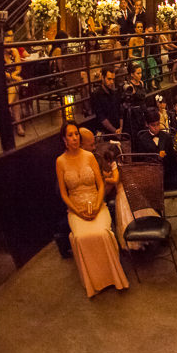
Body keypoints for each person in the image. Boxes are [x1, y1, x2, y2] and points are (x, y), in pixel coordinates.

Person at [55, 121, 129, 297]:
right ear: (64, 139)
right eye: (70, 135)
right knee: (81, 237)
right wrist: (77, 211)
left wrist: (97, 205)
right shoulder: (60, 162)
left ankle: (114, 277)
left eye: (76, 134)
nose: (74, 138)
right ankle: (94, 282)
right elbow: (64, 194)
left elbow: (101, 184)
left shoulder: (89, 156)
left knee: (102, 233)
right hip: (76, 208)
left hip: (96, 203)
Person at [91, 67, 121, 135]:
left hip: (118, 129)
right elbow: (101, 117)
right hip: (106, 131)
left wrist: (120, 128)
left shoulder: (114, 92)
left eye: (113, 79)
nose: (112, 82)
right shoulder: (96, 94)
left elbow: (120, 111)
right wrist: (115, 131)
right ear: (102, 77)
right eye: (109, 79)